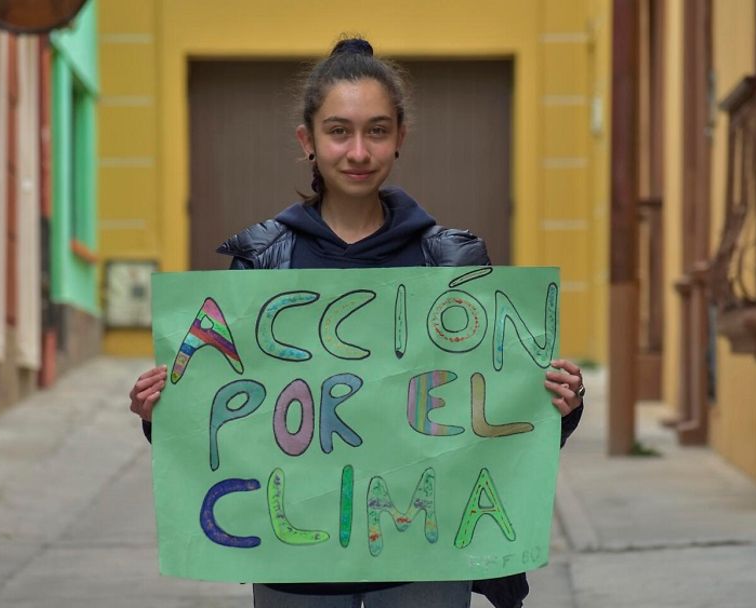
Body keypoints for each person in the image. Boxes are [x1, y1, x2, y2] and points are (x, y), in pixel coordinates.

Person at [130, 36, 586, 608]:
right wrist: (163, 412)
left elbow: (495, 416)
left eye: (376, 130)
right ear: (308, 141)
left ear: (399, 139)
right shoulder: (264, 262)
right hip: (298, 557)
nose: (358, 151)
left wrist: (559, 402)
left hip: (424, 553)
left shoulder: (451, 262)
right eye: (339, 131)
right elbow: (227, 419)